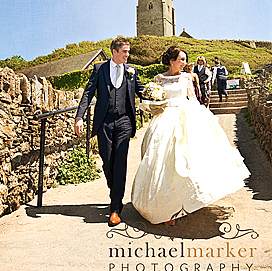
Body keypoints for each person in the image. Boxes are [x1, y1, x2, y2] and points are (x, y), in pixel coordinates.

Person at [131, 45, 250, 225]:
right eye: (182, 60)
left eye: (185, 60)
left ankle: (189, 199)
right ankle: (166, 208)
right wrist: (152, 105)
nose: (185, 63)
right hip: (164, 118)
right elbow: (156, 100)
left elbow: (192, 99)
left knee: (188, 160)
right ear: (172, 61)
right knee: (163, 161)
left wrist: (202, 117)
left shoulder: (187, 77)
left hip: (185, 116)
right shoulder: (158, 79)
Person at [74, 37, 145, 226]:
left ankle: (115, 208)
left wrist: (158, 95)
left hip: (124, 121)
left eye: (128, 51)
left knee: (120, 161)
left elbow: (141, 91)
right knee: (107, 161)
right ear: (114, 51)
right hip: (104, 121)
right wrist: (79, 117)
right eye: (124, 52)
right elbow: (88, 93)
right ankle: (115, 192)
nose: (128, 55)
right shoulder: (99, 69)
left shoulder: (132, 71)